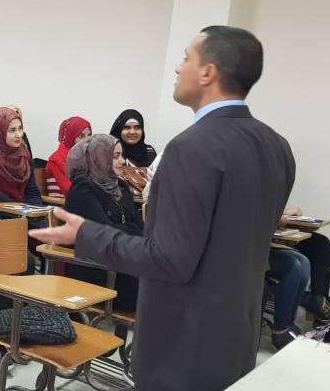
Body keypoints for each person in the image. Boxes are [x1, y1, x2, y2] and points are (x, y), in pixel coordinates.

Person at [31, 26, 296, 391]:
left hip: (185, 341)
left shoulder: (192, 147)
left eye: (186, 57)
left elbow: (168, 259)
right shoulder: (277, 146)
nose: (177, 67)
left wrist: (86, 234)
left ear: (208, 72)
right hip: (238, 332)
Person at [61, 134, 141, 315]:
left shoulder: (120, 187)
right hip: (98, 271)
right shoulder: (83, 189)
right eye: (115, 156)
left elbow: (141, 227)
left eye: (121, 155)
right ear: (98, 159)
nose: (122, 161)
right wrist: (132, 231)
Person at [0, 107, 41, 207]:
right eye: (12, 130)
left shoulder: (24, 152)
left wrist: (36, 209)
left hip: (25, 209)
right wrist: (19, 208)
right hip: (0, 210)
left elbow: (32, 189)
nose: (19, 135)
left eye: (20, 129)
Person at [45, 116, 92, 198]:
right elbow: (71, 191)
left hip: (85, 201)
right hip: (62, 204)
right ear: (70, 136)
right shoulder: (56, 159)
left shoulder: (86, 158)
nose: (87, 140)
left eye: (89, 135)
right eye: (81, 136)